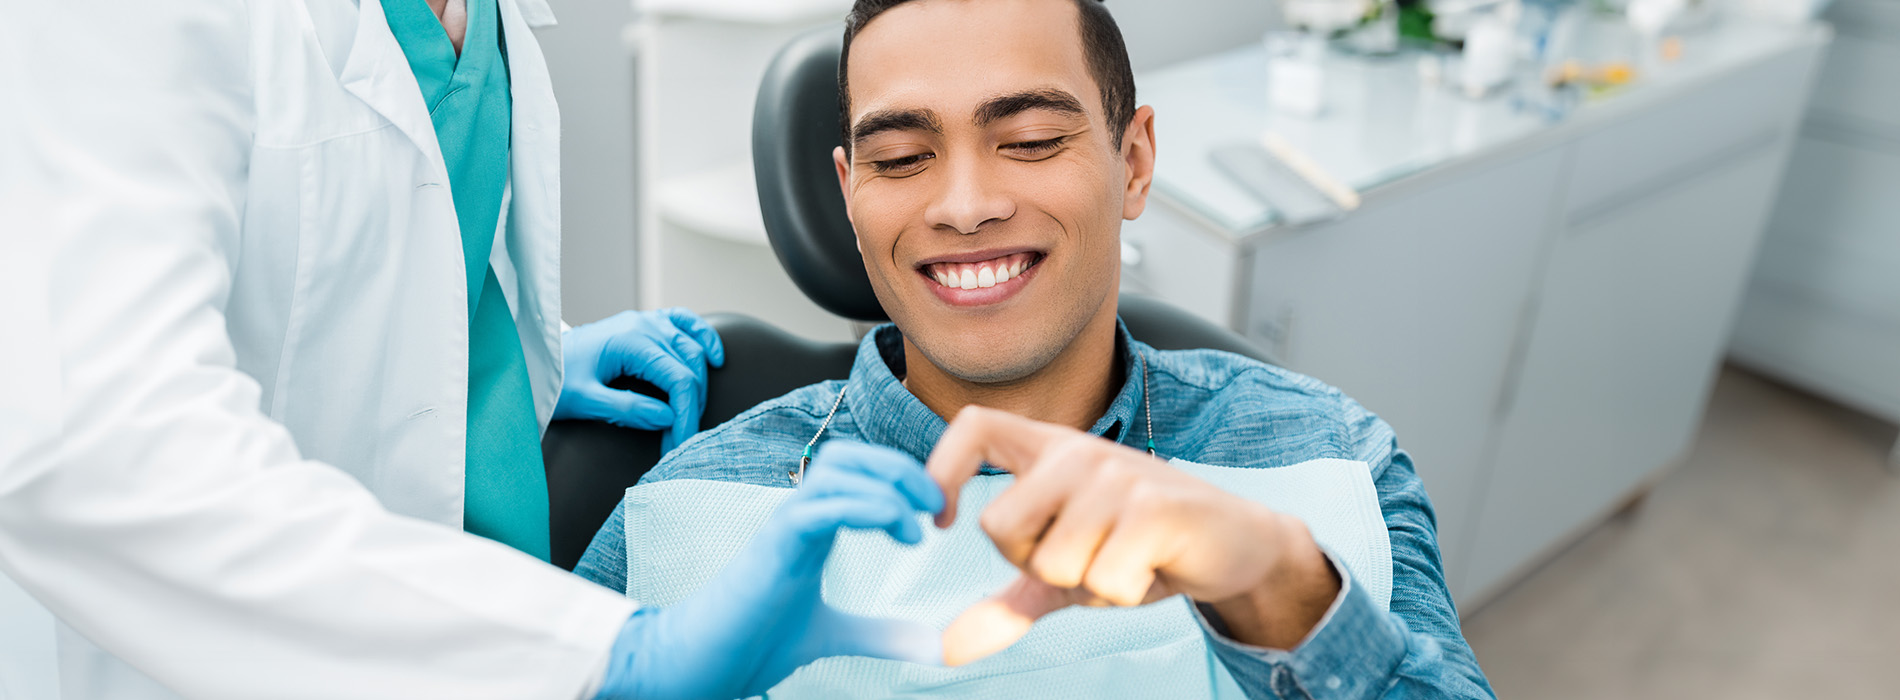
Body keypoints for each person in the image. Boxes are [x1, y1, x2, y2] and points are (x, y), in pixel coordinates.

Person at [0, 1, 939, 698]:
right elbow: (95, 442)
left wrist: (508, 363)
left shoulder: (482, 19)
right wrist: (614, 660)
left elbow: (374, 237)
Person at [578, 0, 1495, 696]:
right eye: (901, 159)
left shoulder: (1327, 452)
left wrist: (1282, 587)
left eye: (1030, 139)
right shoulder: (691, 505)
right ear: (850, 196)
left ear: (1131, 163)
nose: (965, 205)